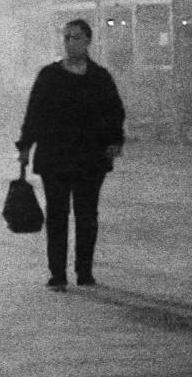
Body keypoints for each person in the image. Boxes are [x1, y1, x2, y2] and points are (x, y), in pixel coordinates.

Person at [16, 17, 126, 291]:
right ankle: (57, 274)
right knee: (57, 215)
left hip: (90, 158)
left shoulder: (100, 77)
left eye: (75, 37)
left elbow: (115, 112)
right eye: (66, 37)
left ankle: (84, 271)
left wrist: (114, 140)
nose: (69, 42)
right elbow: (34, 113)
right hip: (55, 157)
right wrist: (25, 147)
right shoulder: (49, 75)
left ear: (88, 41)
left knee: (87, 215)